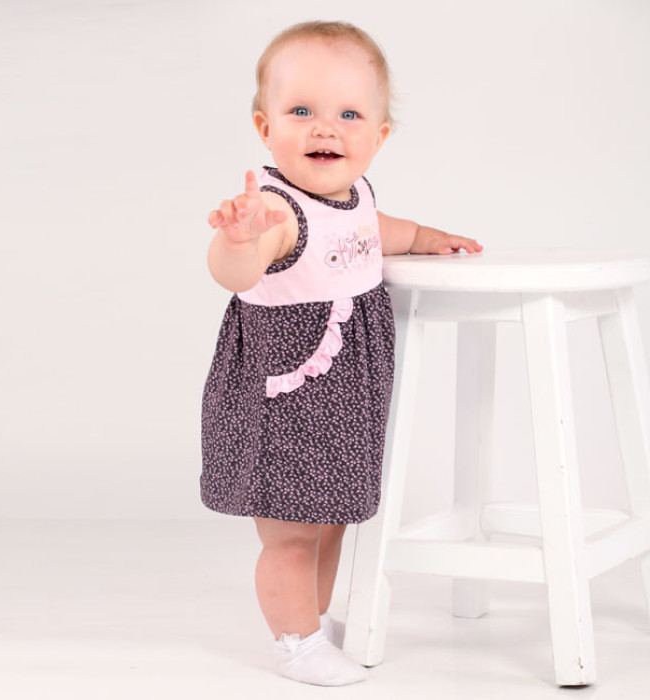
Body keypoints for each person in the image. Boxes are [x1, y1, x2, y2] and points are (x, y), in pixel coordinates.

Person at [200, 20, 483, 686]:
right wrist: (239, 239)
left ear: (378, 136)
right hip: (287, 405)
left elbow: (376, 230)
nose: (325, 128)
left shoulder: (354, 197)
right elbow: (237, 272)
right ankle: (296, 643)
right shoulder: (275, 212)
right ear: (266, 127)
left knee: (332, 522)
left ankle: (314, 620)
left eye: (348, 115)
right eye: (301, 111)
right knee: (292, 531)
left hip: (346, 404)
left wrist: (426, 236)